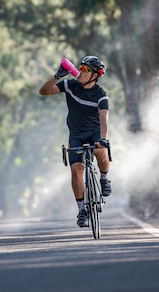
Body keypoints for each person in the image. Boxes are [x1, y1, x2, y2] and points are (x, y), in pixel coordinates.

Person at [39, 55, 112, 228]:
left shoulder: (101, 95)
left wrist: (103, 139)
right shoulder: (70, 85)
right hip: (76, 134)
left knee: (100, 150)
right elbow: (44, 91)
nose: (80, 71)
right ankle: (81, 210)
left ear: (95, 75)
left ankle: (104, 178)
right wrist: (57, 76)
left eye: (85, 69)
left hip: (95, 132)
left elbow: (104, 119)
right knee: (76, 169)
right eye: (80, 67)